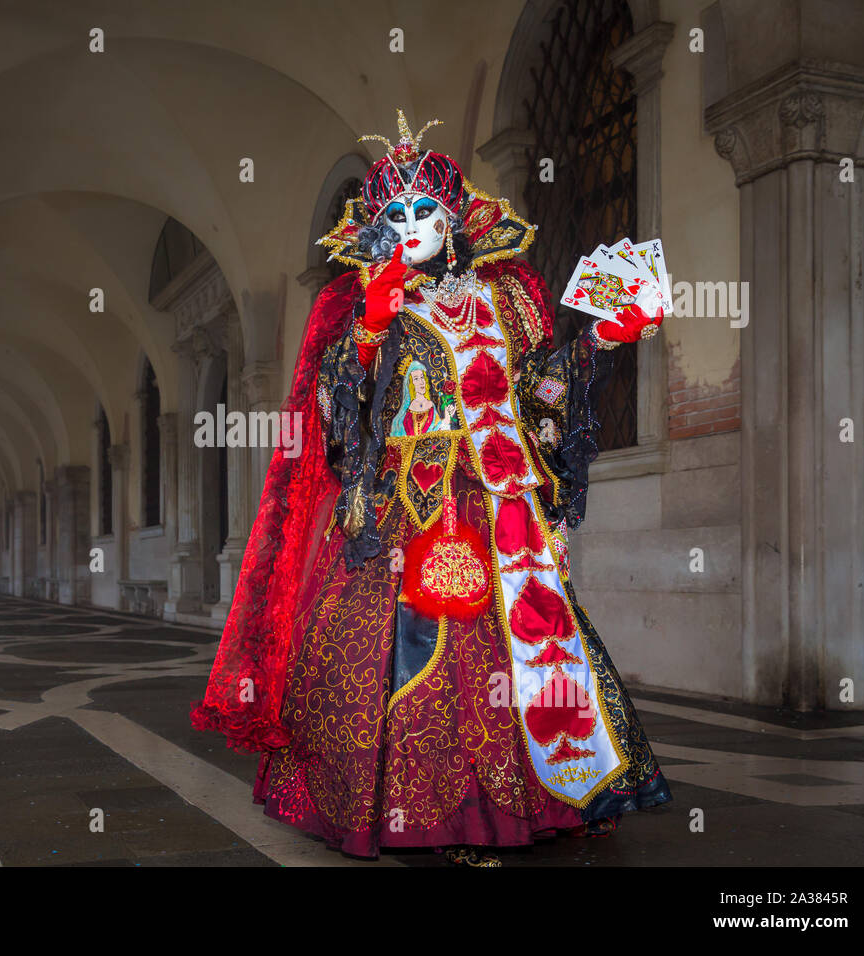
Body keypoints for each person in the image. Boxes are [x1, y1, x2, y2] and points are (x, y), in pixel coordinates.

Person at [192, 110, 671, 864]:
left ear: (454, 219)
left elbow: (539, 390)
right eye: (394, 213)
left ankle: (544, 794)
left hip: (507, 506)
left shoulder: (508, 296)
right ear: (376, 230)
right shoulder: (357, 305)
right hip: (408, 513)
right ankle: (419, 810)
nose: (411, 224)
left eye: (425, 210)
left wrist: (598, 343)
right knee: (415, 652)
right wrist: (370, 333)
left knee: (531, 649)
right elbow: (335, 418)